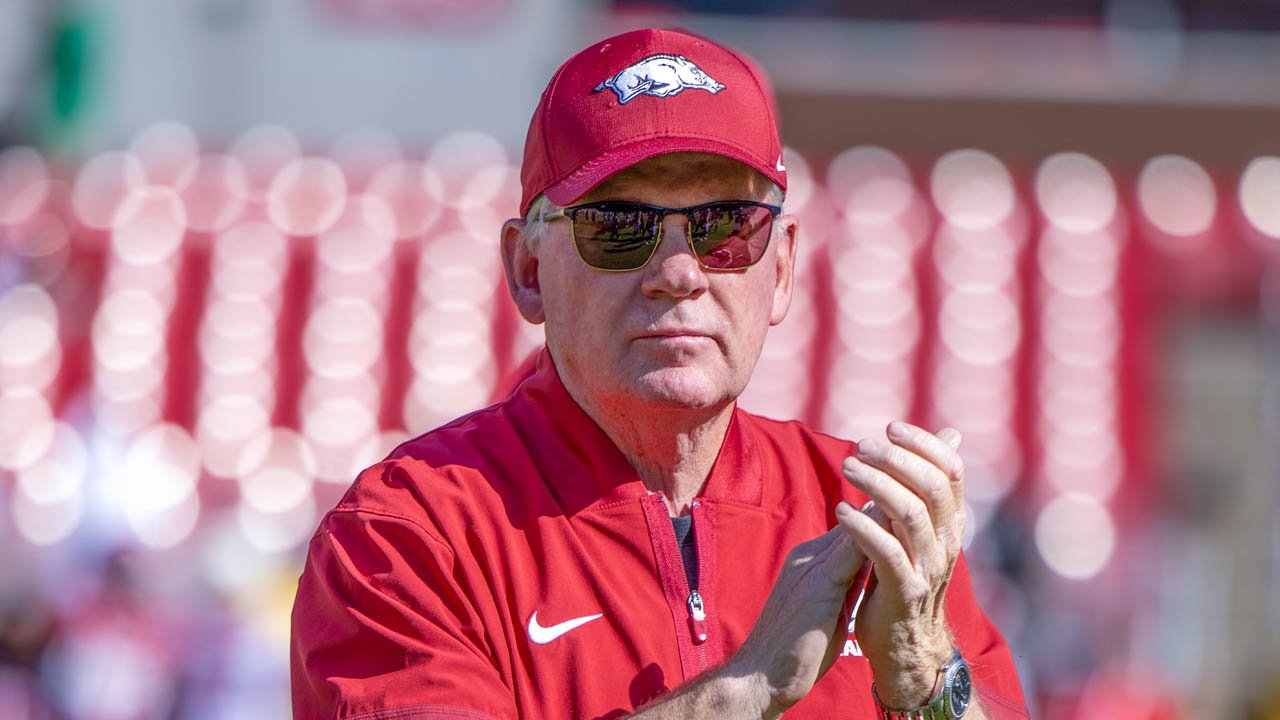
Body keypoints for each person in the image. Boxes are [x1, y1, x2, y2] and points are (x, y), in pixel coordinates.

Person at [291, 28, 1029, 720]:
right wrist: (742, 692)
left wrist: (929, 682)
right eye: (617, 228)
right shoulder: (412, 535)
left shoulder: (870, 516)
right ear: (527, 270)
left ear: (780, 271)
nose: (679, 273)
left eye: (726, 227)